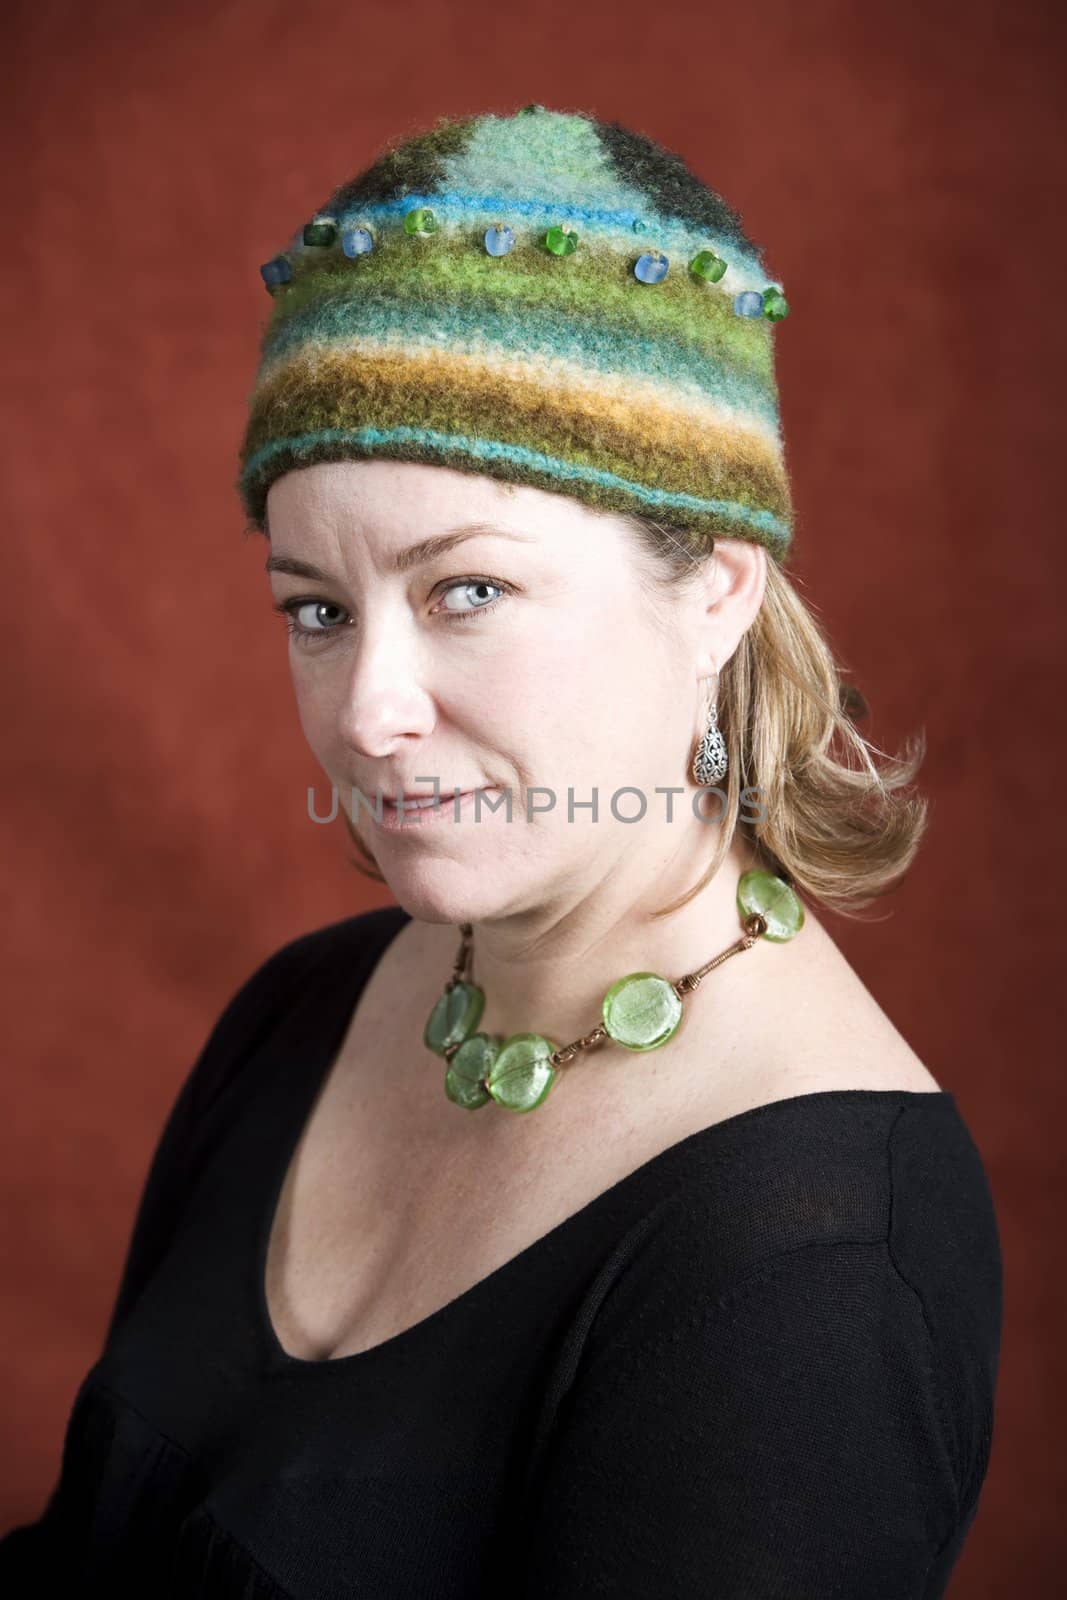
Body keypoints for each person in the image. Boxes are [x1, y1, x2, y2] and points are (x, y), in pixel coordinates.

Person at [1, 105, 1002, 1596]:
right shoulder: (307, 1013)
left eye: (465, 589)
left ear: (718, 586)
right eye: (316, 609)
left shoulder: (814, 1266)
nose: (369, 713)